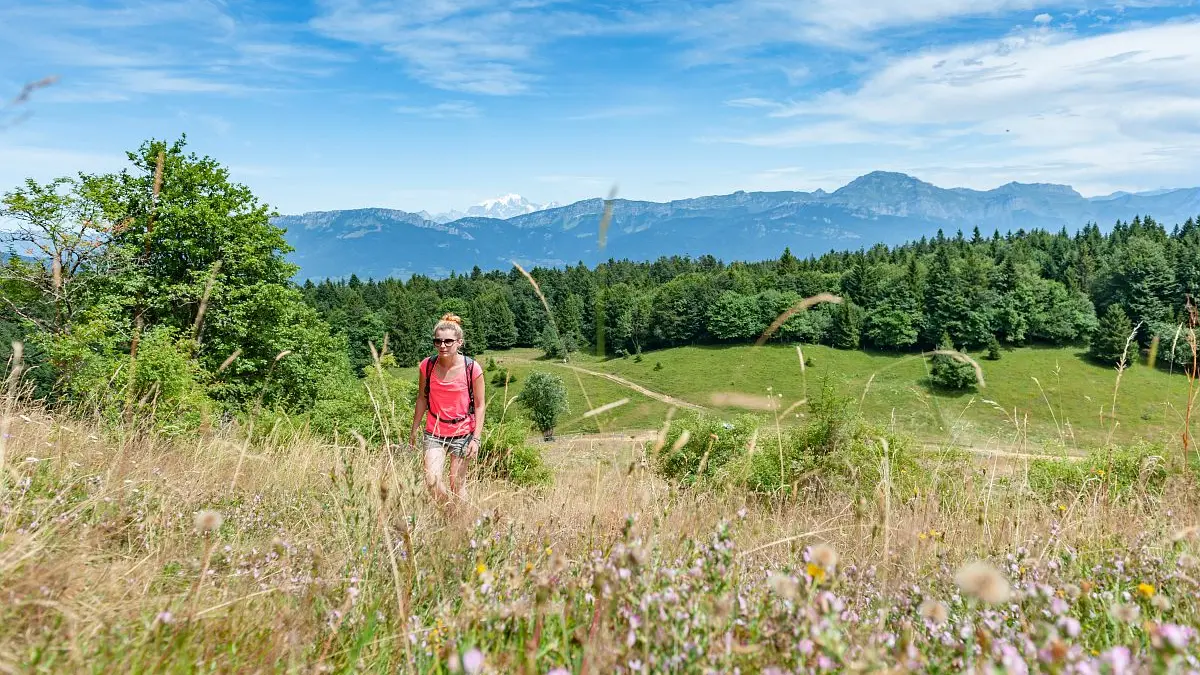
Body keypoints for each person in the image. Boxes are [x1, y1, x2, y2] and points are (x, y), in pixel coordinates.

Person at [409, 313, 486, 509]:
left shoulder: (472, 368)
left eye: (448, 341)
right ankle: (452, 513)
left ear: (459, 342)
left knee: (457, 486)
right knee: (432, 482)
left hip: (462, 433)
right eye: (438, 341)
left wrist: (476, 439)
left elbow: (479, 404)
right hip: (434, 432)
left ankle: (462, 524)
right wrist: (414, 428)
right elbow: (422, 398)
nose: (442, 346)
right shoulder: (427, 365)